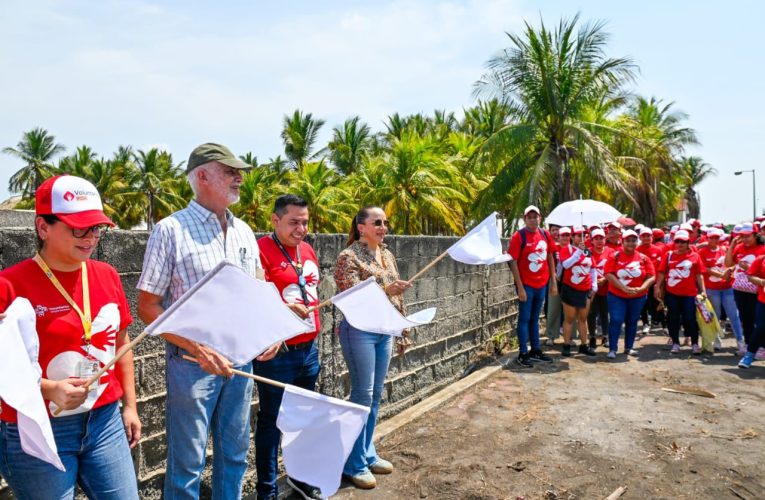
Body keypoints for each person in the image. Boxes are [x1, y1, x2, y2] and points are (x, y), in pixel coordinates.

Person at [136, 143, 274, 499]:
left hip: (239, 360)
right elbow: (147, 306)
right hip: (192, 364)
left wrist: (269, 330)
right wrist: (198, 348)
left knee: (235, 454)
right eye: (230, 171)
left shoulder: (244, 231)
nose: (239, 178)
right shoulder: (170, 230)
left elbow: (258, 287)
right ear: (202, 176)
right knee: (188, 463)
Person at [0, 175, 140, 498]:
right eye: (79, 228)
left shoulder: (106, 275)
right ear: (43, 227)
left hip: (104, 421)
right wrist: (48, 389)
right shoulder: (9, 285)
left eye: (96, 228)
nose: (90, 237)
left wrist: (129, 406)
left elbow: (122, 342)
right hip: (39, 429)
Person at [334, 206, 412, 489]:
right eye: (376, 222)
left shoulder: (387, 254)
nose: (383, 227)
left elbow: (397, 297)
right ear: (361, 226)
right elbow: (349, 295)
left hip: (384, 330)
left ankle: (367, 453)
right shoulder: (348, 256)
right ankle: (353, 463)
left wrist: (401, 330)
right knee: (362, 395)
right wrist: (385, 290)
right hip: (360, 331)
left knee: (375, 395)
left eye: (385, 223)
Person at [253, 195, 322, 500]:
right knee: (271, 422)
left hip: (308, 349)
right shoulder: (261, 250)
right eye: (294, 222)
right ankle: (266, 489)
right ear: (275, 220)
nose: (301, 228)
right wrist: (284, 310)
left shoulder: (306, 249)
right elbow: (255, 299)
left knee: (302, 418)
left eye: (305, 221)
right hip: (278, 354)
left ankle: (300, 477)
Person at [507, 206, 557, 366]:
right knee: (524, 318)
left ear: (540, 218)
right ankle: (523, 353)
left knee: (535, 319)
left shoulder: (545, 234)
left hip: (541, 283)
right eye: (530, 217)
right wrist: (520, 287)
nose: (533, 220)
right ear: (524, 219)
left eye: (535, 217)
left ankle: (535, 350)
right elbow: (512, 261)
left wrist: (553, 282)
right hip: (526, 285)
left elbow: (550, 256)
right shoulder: (518, 236)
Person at [604, 230, 656, 358]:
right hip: (617, 296)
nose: (631, 243)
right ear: (622, 242)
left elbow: (651, 276)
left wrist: (642, 288)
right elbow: (608, 274)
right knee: (616, 320)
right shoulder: (614, 256)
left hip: (637, 297)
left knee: (632, 321)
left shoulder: (643, 258)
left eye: (634, 240)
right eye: (628, 240)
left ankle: (629, 347)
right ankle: (612, 349)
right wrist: (623, 288)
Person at [655, 230, 707, 355]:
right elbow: (661, 272)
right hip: (672, 293)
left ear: (688, 242)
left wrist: (703, 291)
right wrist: (657, 286)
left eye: (682, 242)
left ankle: (694, 343)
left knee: (690, 318)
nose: (679, 244)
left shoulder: (695, 256)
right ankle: (675, 343)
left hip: (689, 294)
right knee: (673, 318)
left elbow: (699, 275)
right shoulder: (669, 255)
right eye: (677, 241)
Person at [699, 228, 745, 354]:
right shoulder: (702, 252)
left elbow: (733, 263)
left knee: (734, 316)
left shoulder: (725, 249)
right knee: (715, 316)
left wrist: (728, 271)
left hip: (728, 287)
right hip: (712, 289)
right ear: (707, 238)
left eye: (716, 237)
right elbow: (705, 269)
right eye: (711, 237)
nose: (714, 240)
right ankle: (716, 340)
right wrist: (721, 275)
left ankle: (740, 342)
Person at [725, 222, 765, 353]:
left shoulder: (762, 249)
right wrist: (732, 246)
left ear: (756, 235)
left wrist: (749, 269)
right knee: (745, 318)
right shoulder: (739, 247)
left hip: (757, 290)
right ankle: (749, 345)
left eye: (748, 236)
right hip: (740, 288)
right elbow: (728, 263)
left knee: (758, 320)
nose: (745, 239)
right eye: (742, 236)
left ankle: (761, 347)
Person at [558, 226, 597, 357]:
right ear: (572, 237)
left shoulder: (588, 251)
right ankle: (567, 345)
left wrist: (594, 284)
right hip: (570, 288)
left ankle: (583, 345)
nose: (581, 238)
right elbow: (566, 265)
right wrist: (577, 253)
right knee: (569, 318)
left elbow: (593, 268)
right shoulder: (566, 250)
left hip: (585, 289)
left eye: (584, 235)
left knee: (583, 318)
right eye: (578, 235)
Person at [587, 228, 613, 348]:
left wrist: (605, 279)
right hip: (592, 288)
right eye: (596, 238)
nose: (599, 241)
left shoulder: (611, 252)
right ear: (592, 240)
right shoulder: (588, 252)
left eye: (601, 238)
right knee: (592, 313)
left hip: (607, 288)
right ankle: (592, 336)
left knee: (605, 313)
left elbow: (615, 269)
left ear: (605, 239)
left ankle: (605, 336)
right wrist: (594, 281)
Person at [738, 254, 765, 368]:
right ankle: (749, 355)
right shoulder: (761, 259)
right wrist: (762, 282)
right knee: (761, 327)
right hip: (763, 301)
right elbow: (750, 276)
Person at [637, 227, 664, 335]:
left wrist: (660, 283)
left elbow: (662, 267)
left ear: (652, 237)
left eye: (648, 235)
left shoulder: (658, 250)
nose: (646, 238)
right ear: (640, 237)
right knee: (644, 303)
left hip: (656, 281)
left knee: (657, 301)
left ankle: (662, 323)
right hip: (642, 282)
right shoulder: (637, 250)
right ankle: (645, 324)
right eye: (644, 236)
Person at [544, 223, 563, 346]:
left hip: (567, 281)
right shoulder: (546, 245)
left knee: (566, 308)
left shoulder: (567, 245)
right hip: (550, 279)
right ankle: (551, 334)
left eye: (558, 230)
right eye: (553, 230)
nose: (556, 232)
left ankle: (565, 332)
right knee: (550, 308)